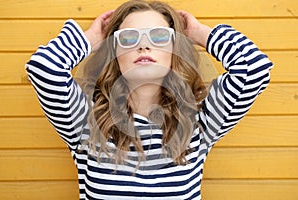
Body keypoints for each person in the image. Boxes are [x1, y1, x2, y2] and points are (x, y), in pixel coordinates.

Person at [25, 0, 273, 199]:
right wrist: (90, 40)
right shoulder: (84, 122)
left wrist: (198, 33)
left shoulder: (198, 123)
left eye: (159, 36)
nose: (144, 45)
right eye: (129, 38)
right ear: (115, 52)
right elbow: (44, 69)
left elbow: (254, 69)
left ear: (175, 49)